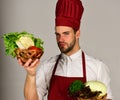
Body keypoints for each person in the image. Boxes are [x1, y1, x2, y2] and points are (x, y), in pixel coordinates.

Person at [18, 0, 113, 100]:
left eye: (66, 33)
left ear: (77, 34)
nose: (60, 39)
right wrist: (31, 74)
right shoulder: (47, 66)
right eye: (57, 34)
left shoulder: (97, 68)